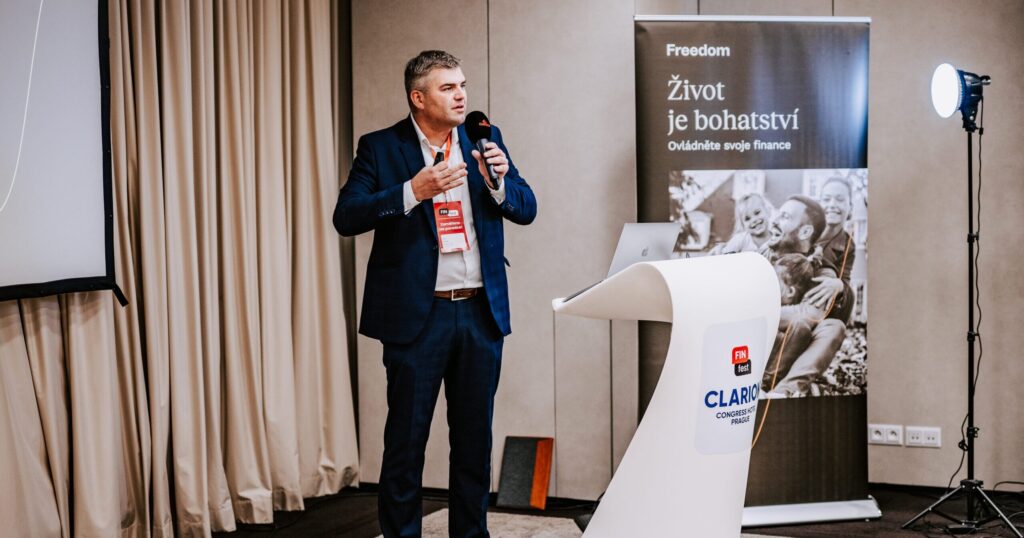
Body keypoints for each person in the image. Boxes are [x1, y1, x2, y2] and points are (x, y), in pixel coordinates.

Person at [333, 50, 537, 538]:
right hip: (418, 318)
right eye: (448, 88)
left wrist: (498, 184)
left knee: (473, 444)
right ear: (418, 98)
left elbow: (527, 207)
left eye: (462, 85)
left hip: (479, 313)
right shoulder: (381, 148)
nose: (461, 95)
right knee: (406, 444)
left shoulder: (484, 138)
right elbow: (347, 216)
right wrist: (412, 191)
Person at [759, 195, 850, 395]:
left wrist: (760, 312)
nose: (774, 221)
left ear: (805, 232)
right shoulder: (761, 255)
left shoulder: (822, 269)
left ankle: (785, 390)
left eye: (784, 217)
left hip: (793, 344)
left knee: (833, 327)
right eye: (777, 214)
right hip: (758, 345)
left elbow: (812, 314)